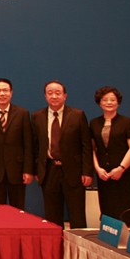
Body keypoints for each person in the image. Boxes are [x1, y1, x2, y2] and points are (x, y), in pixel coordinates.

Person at [32, 80, 93, 228]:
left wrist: (87, 171)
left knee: (77, 214)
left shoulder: (77, 115)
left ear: (65, 96)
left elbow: (86, 145)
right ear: (45, 96)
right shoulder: (37, 116)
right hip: (49, 170)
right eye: (50, 93)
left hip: (74, 171)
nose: (54, 96)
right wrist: (36, 170)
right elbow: (35, 146)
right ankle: (55, 242)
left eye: (58, 93)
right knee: (52, 215)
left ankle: (78, 242)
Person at [90, 86, 130, 225]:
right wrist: (97, 169)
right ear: (99, 103)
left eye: (112, 100)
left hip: (125, 173)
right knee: (109, 212)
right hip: (104, 174)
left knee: (128, 212)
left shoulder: (127, 122)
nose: (109, 102)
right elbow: (91, 149)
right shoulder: (94, 123)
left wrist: (121, 168)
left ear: (118, 102)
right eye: (105, 100)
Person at [0, 78, 33, 210]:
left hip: (17, 170)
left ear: (11, 93)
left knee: (18, 209)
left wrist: (28, 170)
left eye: (5, 90)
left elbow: (28, 144)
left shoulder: (22, 113)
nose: (2, 94)